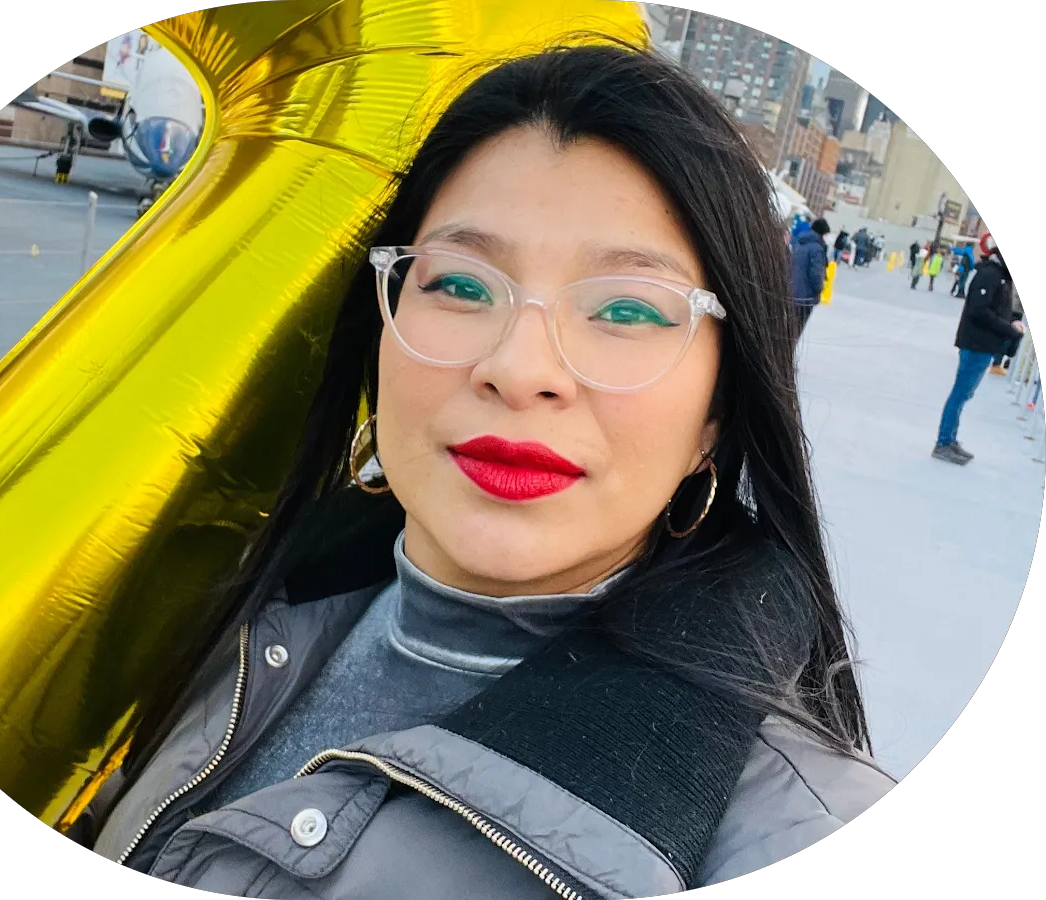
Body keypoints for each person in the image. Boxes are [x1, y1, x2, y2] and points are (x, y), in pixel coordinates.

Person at [71, 44, 894, 896]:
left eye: (625, 308)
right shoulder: (252, 600)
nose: (519, 368)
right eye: (462, 287)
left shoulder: (790, 821)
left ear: (716, 413)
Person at [933, 232, 1024, 464]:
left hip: (984, 343)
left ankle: (949, 439)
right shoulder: (990, 275)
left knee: (964, 394)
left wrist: (1011, 322)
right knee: (960, 393)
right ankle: (943, 442)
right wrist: (1008, 328)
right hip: (976, 343)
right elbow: (979, 310)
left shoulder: (999, 276)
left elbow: (996, 309)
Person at [790, 217, 830, 335]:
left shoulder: (800, 242)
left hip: (790, 291)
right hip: (805, 297)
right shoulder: (817, 249)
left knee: (787, 328)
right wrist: (819, 289)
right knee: (796, 330)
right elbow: (816, 274)